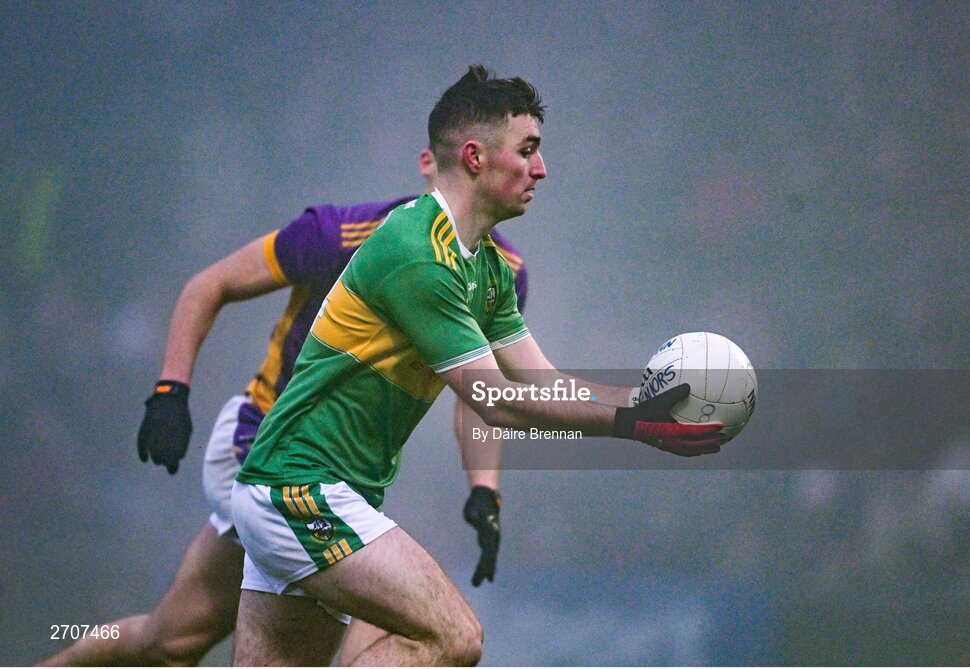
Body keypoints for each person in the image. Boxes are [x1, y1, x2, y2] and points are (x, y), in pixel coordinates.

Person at [230, 65, 726, 667]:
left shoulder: (486, 267)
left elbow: (542, 384)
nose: (540, 169)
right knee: (454, 637)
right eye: (527, 151)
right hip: (299, 489)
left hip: (315, 490)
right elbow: (496, 399)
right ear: (474, 156)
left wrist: (643, 402)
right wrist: (631, 427)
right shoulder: (418, 252)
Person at [39, 150, 525, 667]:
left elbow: (481, 390)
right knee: (384, 601)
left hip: (329, 473)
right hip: (264, 442)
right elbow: (211, 284)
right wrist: (170, 392)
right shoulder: (340, 233)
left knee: (172, 640)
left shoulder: (500, 273)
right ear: (435, 162)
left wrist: (484, 489)